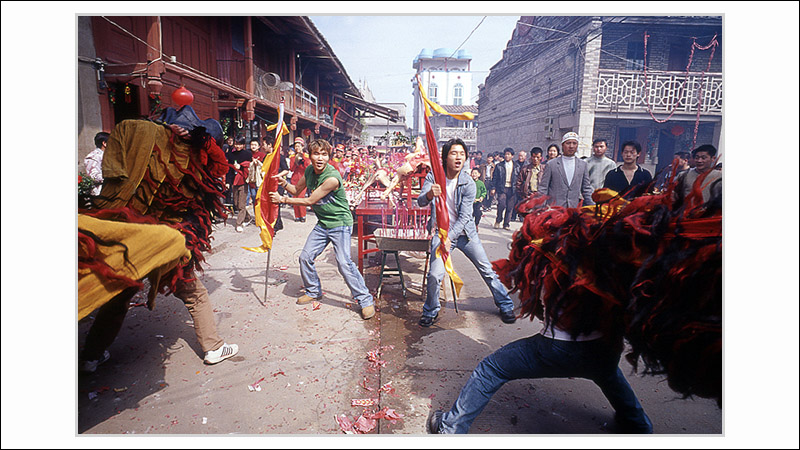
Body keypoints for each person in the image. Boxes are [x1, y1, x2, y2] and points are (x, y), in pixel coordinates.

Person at [79, 113, 238, 373]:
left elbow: (116, 151)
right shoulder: (197, 162)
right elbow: (219, 169)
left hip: (134, 238)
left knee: (119, 295)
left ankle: (91, 357)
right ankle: (213, 348)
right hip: (168, 240)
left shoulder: (145, 145)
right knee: (193, 294)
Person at [426, 287, 653, 434]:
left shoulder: (555, 255)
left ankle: (451, 428)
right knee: (609, 374)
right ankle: (640, 426)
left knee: (491, 369)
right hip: (605, 349)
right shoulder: (618, 261)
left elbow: (538, 302)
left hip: (557, 347)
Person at [269, 139, 376, 320]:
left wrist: (283, 200)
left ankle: (365, 300)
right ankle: (313, 290)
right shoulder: (310, 170)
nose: (320, 158)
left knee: (344, 262)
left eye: (324, 154)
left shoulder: (332, 178)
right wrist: (284, 183)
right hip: (323, 222)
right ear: (310, 156)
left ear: (329, 156)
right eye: (316, 154)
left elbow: (310, 201)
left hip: (340, 223)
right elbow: (296, 190)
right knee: (305, 257)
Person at [417, 138, 517, 327]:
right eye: (454, 153)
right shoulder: (434, 177)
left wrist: (450, 238)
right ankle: (430, 310)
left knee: (486, 270)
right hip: (441, 233)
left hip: (465, 234)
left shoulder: (468, 182)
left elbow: (464, 217)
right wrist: (430, 194)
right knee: (434, 275)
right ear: (446, 157)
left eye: (462, 154)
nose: (458, 157)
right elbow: (421, 201)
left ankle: (505, 304)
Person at [538, 132, 595, 208]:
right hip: (554, 209)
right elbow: (543, 188)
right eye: (568, 143)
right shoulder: (551, 164)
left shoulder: (582, 165)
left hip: (573, 210)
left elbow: (586, 189)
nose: (571, 146)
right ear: (562, 145)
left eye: (574, 143)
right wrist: (539, 207)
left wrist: (594, 207)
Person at [226, 136, 252, 232]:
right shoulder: (231, 155)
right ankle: (247, 217)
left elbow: (249, 167)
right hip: (234, 180)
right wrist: (227, 182)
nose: (238, 146)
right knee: (236, 203)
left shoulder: (248, 154)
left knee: (241, 204)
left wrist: (240, 167)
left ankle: (239, 223)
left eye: (240, 144)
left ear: (243, 145)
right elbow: (228, 169)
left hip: (243, 181)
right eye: (236, 144)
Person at [490, 148, 520, 229]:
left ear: (512, 156)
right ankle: (498, 220)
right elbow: (495, 178)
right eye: (506, 154)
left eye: (509, 154)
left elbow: (519, 178)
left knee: (510, 207)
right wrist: (493, 188)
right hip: (502, 188)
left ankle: (506, 224)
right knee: (501, 205)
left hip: (512, 189)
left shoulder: (517, 166)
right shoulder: (499, 166)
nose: (507, 156)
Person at [289, 137, 310, 222]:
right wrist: (296, 161)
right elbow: (291, 169)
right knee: (295, 198)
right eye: (296, 146)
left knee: (301, 197)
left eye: (299, 146)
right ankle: (297, 216)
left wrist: (303, 160)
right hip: (294, 179)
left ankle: (303, 215)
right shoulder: (292, 156)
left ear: (302, 146)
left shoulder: (306, 156)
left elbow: (308, 167)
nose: (297, 148)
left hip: (303, 179)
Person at [85, 132, 110, 196]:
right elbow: (93, 175)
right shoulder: (94, 156)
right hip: (99, 192)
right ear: (104, 143)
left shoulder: (106, 155)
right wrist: (110, 177)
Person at [246, 138, 266, 210]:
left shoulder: (262, 155)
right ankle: (256, 216)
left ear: (259, 146)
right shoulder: (248, 155)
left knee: (260, 198)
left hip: (259, 180)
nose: (253, 146)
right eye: (252, 145)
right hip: (251, 179)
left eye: (255, 145)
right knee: (254, 197)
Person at [510, 150, 527, 222]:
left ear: (525, 157)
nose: (520, 157)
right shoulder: (514, 164)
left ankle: (521, 216)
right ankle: (513, 215)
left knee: (522, 202)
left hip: (523, 186)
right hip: (515, 185)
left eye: (522, 156)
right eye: (519, 156)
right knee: (514, 201)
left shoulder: (527, 165)